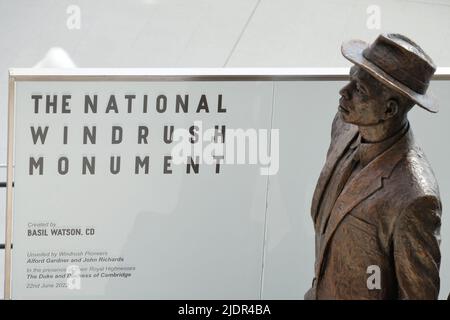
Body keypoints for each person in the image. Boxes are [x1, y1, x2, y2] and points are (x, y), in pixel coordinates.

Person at [305, 33, 442, 299]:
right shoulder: (344, 127)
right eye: (352, 77)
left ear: (389, 110)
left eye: (360, 90)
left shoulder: (414, 197)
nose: (344, 92)